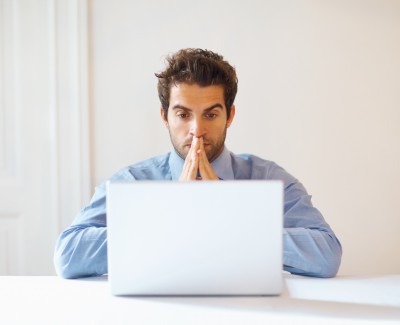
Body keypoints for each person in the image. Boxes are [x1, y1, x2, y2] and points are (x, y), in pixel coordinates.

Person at [54, 48, 342, 279]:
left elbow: (327, 255)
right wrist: (172, 214)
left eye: (211, 115)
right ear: (164, 116)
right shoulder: (132, 181)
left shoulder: (269, 179)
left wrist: (230, 214)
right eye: (182, 115)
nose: (196, 129)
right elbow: (68, 255)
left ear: (230, 115)